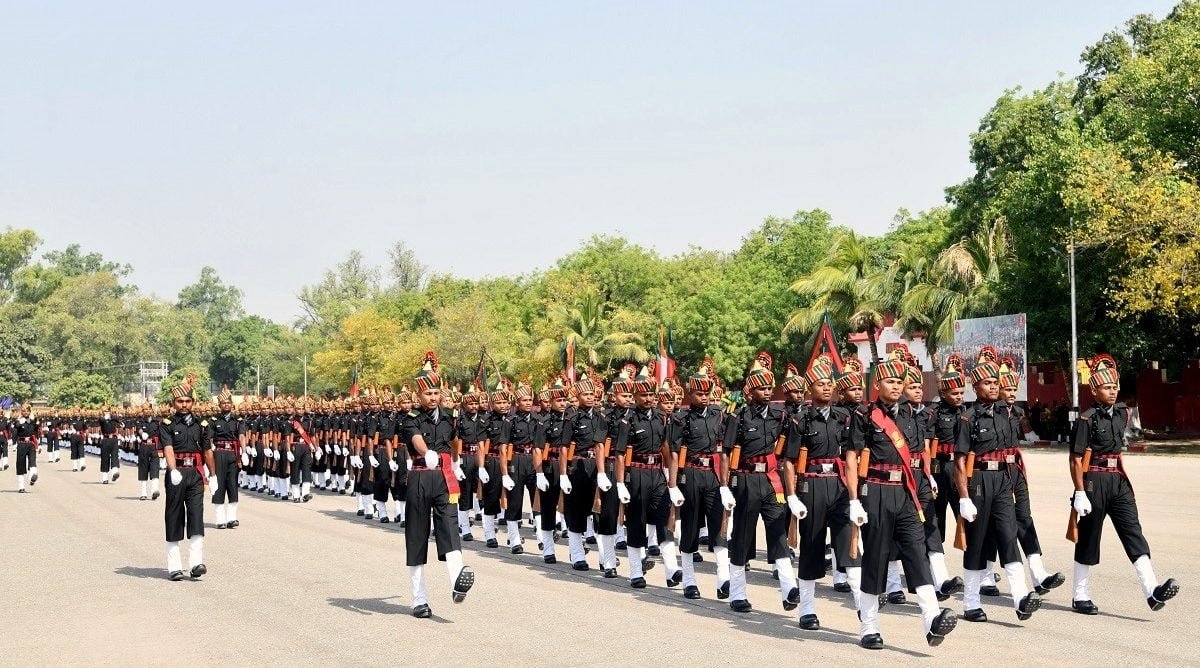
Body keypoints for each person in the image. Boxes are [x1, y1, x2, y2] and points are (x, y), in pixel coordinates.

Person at [846, 356, 957, 650]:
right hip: (877, 492)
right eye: (890, 381)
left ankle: (932, 618)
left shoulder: (913, 415)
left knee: (917, 551)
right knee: (876, 559)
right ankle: (869, 626)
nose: (895, 387)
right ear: (877, 384)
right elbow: (852, 459)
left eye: (899, 382)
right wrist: (854, 499)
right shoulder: (863, 415)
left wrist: (925, 482)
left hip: (907, 492)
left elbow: (918, 456)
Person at [1069, 354, 1179, 614]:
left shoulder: (1122, 413)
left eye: (1115, 386)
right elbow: (1075, 459)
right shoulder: (1086, 419)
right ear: (1094, 390)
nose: (1113, 391)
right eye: (1107, 388)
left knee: (1133, 531)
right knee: (1088, 537)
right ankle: (1080, 595)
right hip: (1094, 479)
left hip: (1118, 479)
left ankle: (1152, 591)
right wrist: (1080, 492)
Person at [955, 346, 1041, 623]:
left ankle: (1020, 597)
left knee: (1008, 534)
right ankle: (970, 602)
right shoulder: (967, 418)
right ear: (975, 386)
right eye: (987, 383)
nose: (993, 387)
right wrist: (964, 497)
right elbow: (959, 462)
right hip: (978, 480)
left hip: (1003, 481)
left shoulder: (1007, 414)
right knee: (977, 542)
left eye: (996, 382)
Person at [782, 356, 860, 629]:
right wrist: (791, 495)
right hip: (811, 486)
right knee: (812, 548)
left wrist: (854, 497)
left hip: (838, 486)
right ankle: (806, 609)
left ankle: (864, 605)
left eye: (829, 384)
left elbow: (850, 457)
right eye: (820, 384)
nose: (826, 388)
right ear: (809, 389)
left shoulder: (844, 418)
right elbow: (789, 461)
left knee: (849, 546)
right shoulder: (800, 420)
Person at [398, 351, 474, 618]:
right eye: (427, 394)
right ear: (419, 396)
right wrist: (425, 452)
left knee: (449, 526)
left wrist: (454, 461)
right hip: (419, 477)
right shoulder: (410, 417)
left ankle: (457, 579)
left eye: (435, 393)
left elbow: (454, 439)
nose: (432, 397)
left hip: (444, 479)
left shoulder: (450, 416)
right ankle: (419, 599)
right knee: (417, 536)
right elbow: (415, 438)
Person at [721, 352, 795, 613]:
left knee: (778, 532)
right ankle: (737, 593)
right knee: (742, 535)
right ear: (750, 391)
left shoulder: (779, 416)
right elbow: (727, 454)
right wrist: (724, 486)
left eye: (768, 387)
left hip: (771, 480)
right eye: (760, 388)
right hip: (746, 479)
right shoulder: (738, 417)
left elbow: (785, 451)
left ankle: (789, 588)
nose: (766, 392)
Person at [998, 357, 1064, 596]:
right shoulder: (982, 415)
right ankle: (984, 578)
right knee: (995, 530)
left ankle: (1039, 574)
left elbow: (1027, 435)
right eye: (1007, 388)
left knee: (1025, 518)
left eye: (1014, 388)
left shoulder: (1017, 412)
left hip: (1015, 471)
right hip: (993, 476)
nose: (1012, 392)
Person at [667, 360, 731, 599]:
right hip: (691, 474)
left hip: (713, 475)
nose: (704, 397)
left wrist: (725, 485)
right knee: (691, 527)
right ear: (689, 393)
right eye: (699, 393)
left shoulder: (719, 415)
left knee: (718, 527)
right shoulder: (680, 418)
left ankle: (723, 578)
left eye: (707, 393)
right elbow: (674, 453)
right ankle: (689, 581)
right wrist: (673, 486)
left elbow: (724, 451)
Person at [159, 375, 216, 580]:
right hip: (177, 473)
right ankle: (174, 566)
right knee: (174, 516)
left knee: (196, 515)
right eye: (180, 401)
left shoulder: (202, 424)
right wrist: (172, 469)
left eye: (187, 401)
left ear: (193, 402)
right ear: (174, 403)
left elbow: (207, 451)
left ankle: (196, 563)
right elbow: (167, 448)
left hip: (196, 475)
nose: (184, 405)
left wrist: (213, 475)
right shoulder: (166, 424)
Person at [206, 387, 246, 528]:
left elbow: (241, 436)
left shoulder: (238, 420)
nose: (226, 405)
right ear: (220, 405)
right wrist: (211, 450)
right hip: (219, 454)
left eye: (228, 403)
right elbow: (210, 438)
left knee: (232, 485)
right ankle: (220, 519)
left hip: (233, 454)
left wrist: (244, 451)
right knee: (219, 485)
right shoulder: (213, 420)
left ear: (232, 404)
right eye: (223, 403)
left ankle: (232, 518)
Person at [12, 405, 40, 492]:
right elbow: (15, 432)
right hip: (21, 444)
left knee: (32, 461)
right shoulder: (18, 422)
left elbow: (36, 432)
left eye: (27, 411)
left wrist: (39, 444)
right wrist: (14, 443)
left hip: (31, 444)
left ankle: (32, 476)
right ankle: (21, 486)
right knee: (20, 464)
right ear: (21, 412)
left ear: (30, 411)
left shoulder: (32, 421)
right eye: (24, 411)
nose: (26, 413)